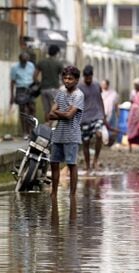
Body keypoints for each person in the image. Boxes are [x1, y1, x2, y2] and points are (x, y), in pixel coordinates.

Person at [48, 66, 84, 201]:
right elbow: (50, 115)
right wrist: (64, 113)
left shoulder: (78, 95)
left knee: (71, 164)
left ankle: (72, 194)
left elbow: (70, 116)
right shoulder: (61, 92)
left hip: (72, 134)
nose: (67, 81)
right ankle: (54, 193)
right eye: (65, 78)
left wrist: (60, 113)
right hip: (58, 134)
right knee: (54, 163)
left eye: (70, 78)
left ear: (76, 80)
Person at [78, 65, 105, 171]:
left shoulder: (97, 84)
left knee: (99, 135)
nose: (88, 80)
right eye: (86, 78)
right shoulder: (79, 87)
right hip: (84, 118)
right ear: (84, 77)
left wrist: (103, 114)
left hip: (97, 115)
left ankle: (95, 160)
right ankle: (88, 164)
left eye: (90, 77)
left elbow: (100, 99)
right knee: (86, 142)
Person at [34, 44, 63, 122]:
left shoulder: (42, 62)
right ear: (56, 53)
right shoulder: (58, 63)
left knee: (46, 110)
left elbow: (34, 76)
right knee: (55, 109)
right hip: (54, 89)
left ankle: (47, 128)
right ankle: (51, 126)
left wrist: (39, 84)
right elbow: (64, 77)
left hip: (43, 89)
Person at [10, 52, 36, 139]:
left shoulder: (31, 66)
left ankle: (32, 130)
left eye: (25, 61)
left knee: (32, 109)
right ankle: (25, 132)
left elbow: (34, 77)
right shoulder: (15, 67)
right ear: (20, 60)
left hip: (30, 88)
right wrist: (12, 96)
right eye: (22, 62)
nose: (24, 63)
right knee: (23, 111)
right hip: (20, 89)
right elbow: (12, 82)